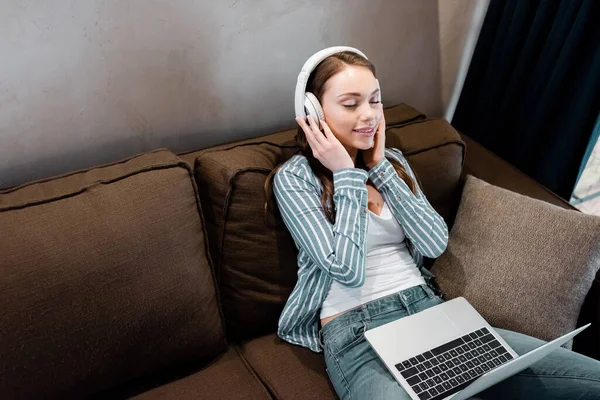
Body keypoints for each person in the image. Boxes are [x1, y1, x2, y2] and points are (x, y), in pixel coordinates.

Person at [264, 47, 600, 399]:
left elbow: (434, 244)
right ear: (313, 113)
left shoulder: (390, 162)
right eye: (351, 104)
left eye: (375, 101)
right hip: (354, 333)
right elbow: (348, 271)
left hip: (428, 311)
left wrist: (379, 168)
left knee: (589, 379)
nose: (369, 116)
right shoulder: (294, 180)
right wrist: (345, 175)